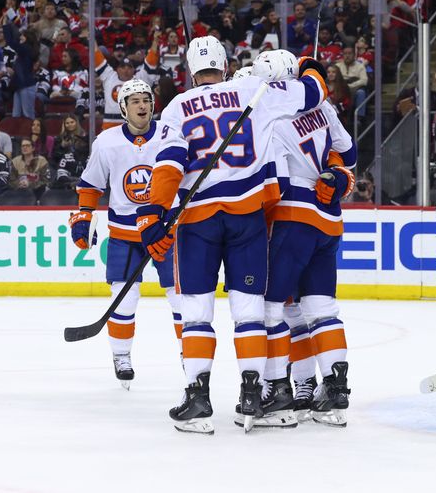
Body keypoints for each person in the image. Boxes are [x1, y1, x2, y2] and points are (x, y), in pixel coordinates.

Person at [139, 35, 330, 434]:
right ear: (226, 64)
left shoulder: (176, 106)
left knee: (196, 312)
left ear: (190, 71)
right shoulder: (253, 89)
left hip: (198, 221)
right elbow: (315, 93)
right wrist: (309, 64)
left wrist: (154, 214)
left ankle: (198, 400)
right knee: (249, 312)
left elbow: (171, 163)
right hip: (247, 218)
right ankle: (251, 396)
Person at [250, 50, 356, 427]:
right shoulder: (323, 107)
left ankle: (275, 391)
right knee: (320, 309)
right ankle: (333, 389)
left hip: (291, 219)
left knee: (271, 308)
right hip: (328, 220)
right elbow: (349, 154)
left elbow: (273, 183)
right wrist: (338, 178)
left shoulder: (270, 116)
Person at [68, 79, 182, 389]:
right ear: (123, 108)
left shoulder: (171, 135)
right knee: (124, 299)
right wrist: (84, 214)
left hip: (165, 230)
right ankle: (121, 355)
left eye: (146, 99)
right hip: (124, 233)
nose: (142, 105)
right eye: (135, 101)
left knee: (181, 299)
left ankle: (191, 352)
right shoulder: (106, 142)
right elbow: (91, 185)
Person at [94, 33, 160, 130]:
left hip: (134, 127)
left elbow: (151, 61)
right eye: (122, 67)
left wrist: (155, 41)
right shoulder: (109, 77)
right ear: (117, 69)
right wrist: (92, 39)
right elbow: (97, 56)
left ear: (134, 70)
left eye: (129, 67)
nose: (126, 70)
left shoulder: (140, 80)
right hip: (109, 127)